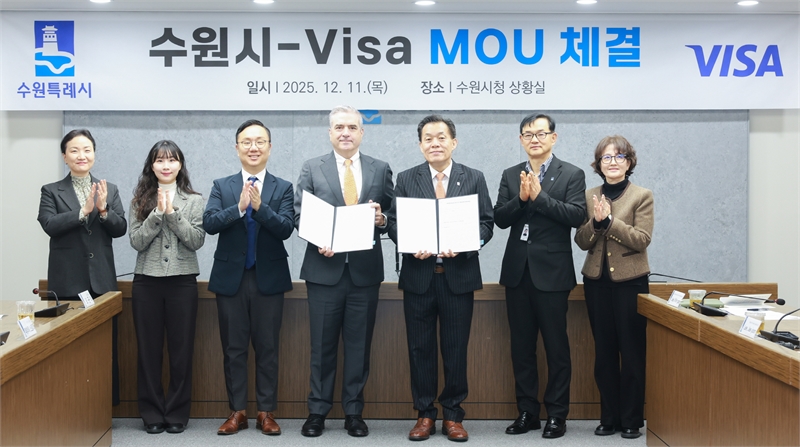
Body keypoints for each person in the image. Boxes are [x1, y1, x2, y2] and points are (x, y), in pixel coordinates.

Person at [387, 114, 494, 442]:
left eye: (441, 137)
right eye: (428, 139)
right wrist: (409, 244)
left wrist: (466, 244)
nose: (435, 143)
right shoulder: (406, 178)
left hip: (458, 277)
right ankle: (424, 413)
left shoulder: (473, 177)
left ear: (453, 142)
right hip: (419, 277)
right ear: (420, 145)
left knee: (455, 348)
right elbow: (394, 223)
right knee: (419, 348)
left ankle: (453, 414)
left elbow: (486, 224)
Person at [294, 105, 394, 438]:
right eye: (339, 127)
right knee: (321, 346)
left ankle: (354, 412)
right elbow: (299, 215)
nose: (346, 133)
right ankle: (317, 412)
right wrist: (319, 238)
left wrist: (382, 219)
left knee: (359, 346)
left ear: (362, 132)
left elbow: (392, 215)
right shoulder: (312, 168)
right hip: (324, 270)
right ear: (330, 132)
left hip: (364, 273)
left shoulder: (380, 168)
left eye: (352, 127)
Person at [494, 114, 586, 439]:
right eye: (528, 134)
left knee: (556, 348)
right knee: (522, 348)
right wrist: (521, 199)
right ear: (521, 139)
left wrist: (540, 198)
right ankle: (527, 412)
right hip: (517, 273)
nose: (534, 139)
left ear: (553, 137)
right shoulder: (510, 174)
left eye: (540, 133)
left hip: (553, 274)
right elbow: (499, 218)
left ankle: (557, 415)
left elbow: (577, 215)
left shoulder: (572, 173)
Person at [203, 119, 294, 436]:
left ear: (269, 147)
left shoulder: (282, 187)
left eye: (259, 142)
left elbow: (286, 228)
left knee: (268, 348)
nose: (253, 147)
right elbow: (210, 223)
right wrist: (240, 208)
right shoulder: (222, 185)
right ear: (237, 147)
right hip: (231, 279)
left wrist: (261, 207)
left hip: (269, 278)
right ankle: (237, 411)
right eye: (247, 142)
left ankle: (266, 412)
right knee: (233, 349)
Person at [37, 128, 127, 404]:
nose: (81, 155)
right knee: (67, 347)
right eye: (74, 150)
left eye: (87, 150)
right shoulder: (51, 190)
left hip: (101, 282)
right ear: (64, 156)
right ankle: (67, 404)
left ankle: (105, 404)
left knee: (104, 347)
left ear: (94, 155)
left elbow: (120, 228)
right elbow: (49, 224)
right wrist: (81, 212)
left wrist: (103, 211)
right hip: (67, 281)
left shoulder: (109, 189)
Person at [574, 135, 653, 440]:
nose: (613, 162)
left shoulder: (641, 196)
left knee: (632, 353)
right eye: (606, 157)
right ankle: (608, 417)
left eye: (619, 157)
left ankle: (631, 419)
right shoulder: (589, 195)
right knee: (604, 352)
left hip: (631, 282)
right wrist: (595, 224)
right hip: (596, 282)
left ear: (629, 162)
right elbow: (582, 241)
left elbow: (642, 239)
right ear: (599, 164)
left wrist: (609, 222)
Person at [129, 140, 205, 434]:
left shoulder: (194, 200)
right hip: (146, 282)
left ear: (180, 165)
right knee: (148, 351)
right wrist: (157, 213)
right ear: (151, 166)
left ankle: (176, 413)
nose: (166, 165)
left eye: (172, 160)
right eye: (160, 160)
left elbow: (196, 240)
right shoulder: (140, 199)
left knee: (181, 350)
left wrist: (172, 213)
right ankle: (151, 413)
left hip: (182, 282)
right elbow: (136, 241)